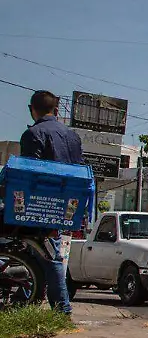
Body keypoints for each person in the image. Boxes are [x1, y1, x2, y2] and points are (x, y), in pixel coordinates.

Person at [20, 90, 84, 316]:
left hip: (41, 205)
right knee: (51, 253)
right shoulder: (73, 137)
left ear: (32, 109)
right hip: (68, 207)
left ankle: (62, 308)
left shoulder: (33, 134)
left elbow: (27, 174)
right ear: (56, 111)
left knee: (50, 255)